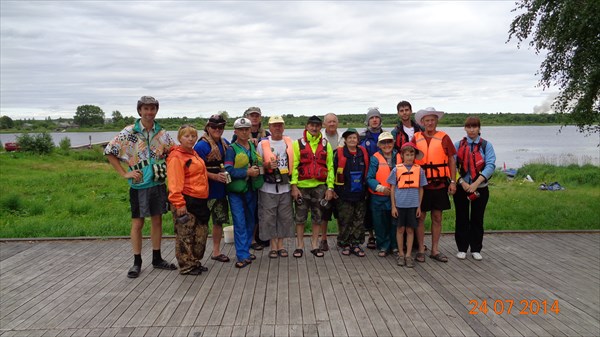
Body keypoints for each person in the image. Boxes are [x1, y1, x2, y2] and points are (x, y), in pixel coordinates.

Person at [104, 96, 177, 278]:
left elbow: (173, 151)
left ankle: (157, 258)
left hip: (157, 182)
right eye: (146, 109)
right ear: (140, 111)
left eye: (152, 108)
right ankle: (137, 261)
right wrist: (124, 173)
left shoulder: (161, 133)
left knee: (157, 220)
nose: (149, 112)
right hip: (139, 184)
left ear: (156, 111)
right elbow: (109, 151)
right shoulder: (130, 132)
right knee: (138, 222)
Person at [412, 107, 457, 263]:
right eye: (427, 120)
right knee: (420, 217)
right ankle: (420, 249)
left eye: (432, 120)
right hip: (421, 185)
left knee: (437, 217)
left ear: (436, 121)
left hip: (439, 184)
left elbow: (451, 160)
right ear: (422, 122)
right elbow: (408, 157)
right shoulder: (416, 137)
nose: (430, 123)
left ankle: (435, 250)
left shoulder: (444, 137)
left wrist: (453, 181)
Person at [167, 125, 210, 275]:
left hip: (199, 199)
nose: (190, 139)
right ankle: (186, 265)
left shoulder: (194, 154)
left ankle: (195, 261)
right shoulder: (176, 157)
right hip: (185, 200)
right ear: (179, 138)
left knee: (200, 233)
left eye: (193, 136)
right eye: (186, 136)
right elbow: (174, 182)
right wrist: (179, 203)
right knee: (185, 235)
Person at [290, 115, 335, 258]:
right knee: (300, 218)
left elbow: (330, 167)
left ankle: (315, 245)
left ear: (321, 127)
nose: (314, 128)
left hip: (320, 187)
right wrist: (294, 186)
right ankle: (299, 246)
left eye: (317, 126)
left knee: (317, 217)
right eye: (311, 125)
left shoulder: (325, 144)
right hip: (302, 186)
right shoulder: (297, 144)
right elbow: (294, 166)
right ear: (306, 126)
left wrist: (330, 187)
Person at [453, 116, 496, 261]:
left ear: (479, 128)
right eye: (469, 127)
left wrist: (476, 183)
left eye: (474, 127)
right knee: (461, 218)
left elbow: (490, 165)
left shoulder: (486, 146)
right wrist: (462, 182)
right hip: (462, 187)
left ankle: (476, 248)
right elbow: (452, 166)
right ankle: (462, 248)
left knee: (477, 218)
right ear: (465, 128)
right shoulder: (458, 145)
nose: (472, 130)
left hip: (480, 187)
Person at [224, 117, 263, 268]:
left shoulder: (253, 145)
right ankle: (241, 255)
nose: (244, 132)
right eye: (241, 130)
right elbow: (228, 170)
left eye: (247, 129)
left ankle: (245, 250)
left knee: (251, 221)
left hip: (251, 190)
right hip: (236, 192)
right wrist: (246, 172)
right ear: (235, 131)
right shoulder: (231, 150)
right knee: (239, 222)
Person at [194, 114, 231, 263]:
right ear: (208, 128)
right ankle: (196, 255)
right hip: (204, 190)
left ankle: (216, 251)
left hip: (220, 190)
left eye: (220, 127)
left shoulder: (225, 143)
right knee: (201, 222)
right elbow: (197, 170)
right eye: (214, 127)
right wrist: (215, 177)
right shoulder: (201, 146)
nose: (217, 129)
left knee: (218, 221)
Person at [232, 107, 270, 251]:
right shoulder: (238, 136)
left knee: (261, 208)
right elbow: (234, 153)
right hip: (245, 180)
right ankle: (251, 239)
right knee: (248, 212)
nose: (254, 118)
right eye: (252, 116)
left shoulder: (266, 134)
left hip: (262, 176)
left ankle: (261, 235)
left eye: (257, 116)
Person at [257, 116, 295, 258]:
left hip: (285, 187)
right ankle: (273, 246)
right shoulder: (262, 144)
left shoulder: (290, 143)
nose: (277, 128)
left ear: (283, 127)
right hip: (268, 187)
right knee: (269, 217)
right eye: (274, 125)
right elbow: (258, 165)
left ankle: (281, 245)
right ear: (269, 127)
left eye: (280, 125)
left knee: (284, 217)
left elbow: (295, 164)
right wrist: (266, 166)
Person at [391, 100, 424, 252]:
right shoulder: (395, 131)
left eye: (406, 110)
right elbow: (392, 151)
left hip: (418, 169)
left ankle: (416, 245)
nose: (404, 112)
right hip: (401, 170)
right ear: (398, 113)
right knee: (400, 220)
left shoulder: (420, 129)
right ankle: (401, 247)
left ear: (411, 111)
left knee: (415, 214)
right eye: (401, 110)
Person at [388, 142, 427, 268]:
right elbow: (392, 188)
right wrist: (393, 206)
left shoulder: (419, 170)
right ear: (402, 156)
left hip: (413, 205)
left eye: (411, 154)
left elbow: (421, 188)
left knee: (410, 230)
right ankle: (401, 254)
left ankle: (409, 255)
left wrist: (419, 206)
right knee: (400, 229)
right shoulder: (396, 169)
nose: (409, 157)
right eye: (407, 155)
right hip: (400, 205)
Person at [333, 128, 369, 257]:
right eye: (349, 138)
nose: (352, 140)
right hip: (343, 193)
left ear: (358, 139)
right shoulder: (339, 153)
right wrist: (333, 189)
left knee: (358, 220)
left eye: (354, 137)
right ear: (345, 140)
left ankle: (356, 243)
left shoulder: (363, 153)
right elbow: (332, 171)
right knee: (345, 219)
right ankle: (344, 243)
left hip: (360, 192)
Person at [366, 131, 398, 257]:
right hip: (379, 196)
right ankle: (383, 246)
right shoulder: (375, 158)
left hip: (396, 197)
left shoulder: (399, 156)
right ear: (379, 145)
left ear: (393, 143)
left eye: (389, 141)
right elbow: (369, 178)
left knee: (395, 223)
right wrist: (380, 188)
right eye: (383, 142)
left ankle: (395, 246)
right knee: (380, 223)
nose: (386, 145)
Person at [360, 107, 384, 250]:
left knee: (382, 207)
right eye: (371, 118)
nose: (374, 120)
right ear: (368, 121)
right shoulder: (362, 137)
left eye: (377, 117)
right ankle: (371, 236)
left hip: (384, 175)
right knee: (368, 208)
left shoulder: (386, 136)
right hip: (366, 177)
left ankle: (383, 234)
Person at [320, 112, 344, 252]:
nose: (331, 124)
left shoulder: (343, 138)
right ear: (324, 124)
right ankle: (323, 239)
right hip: (324, 179)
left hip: (340, 180)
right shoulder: (320, 139)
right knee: (325, 211)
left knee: (341, 211)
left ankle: (342, 237)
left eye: (334, 121)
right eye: (329, 121)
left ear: (337, 123)